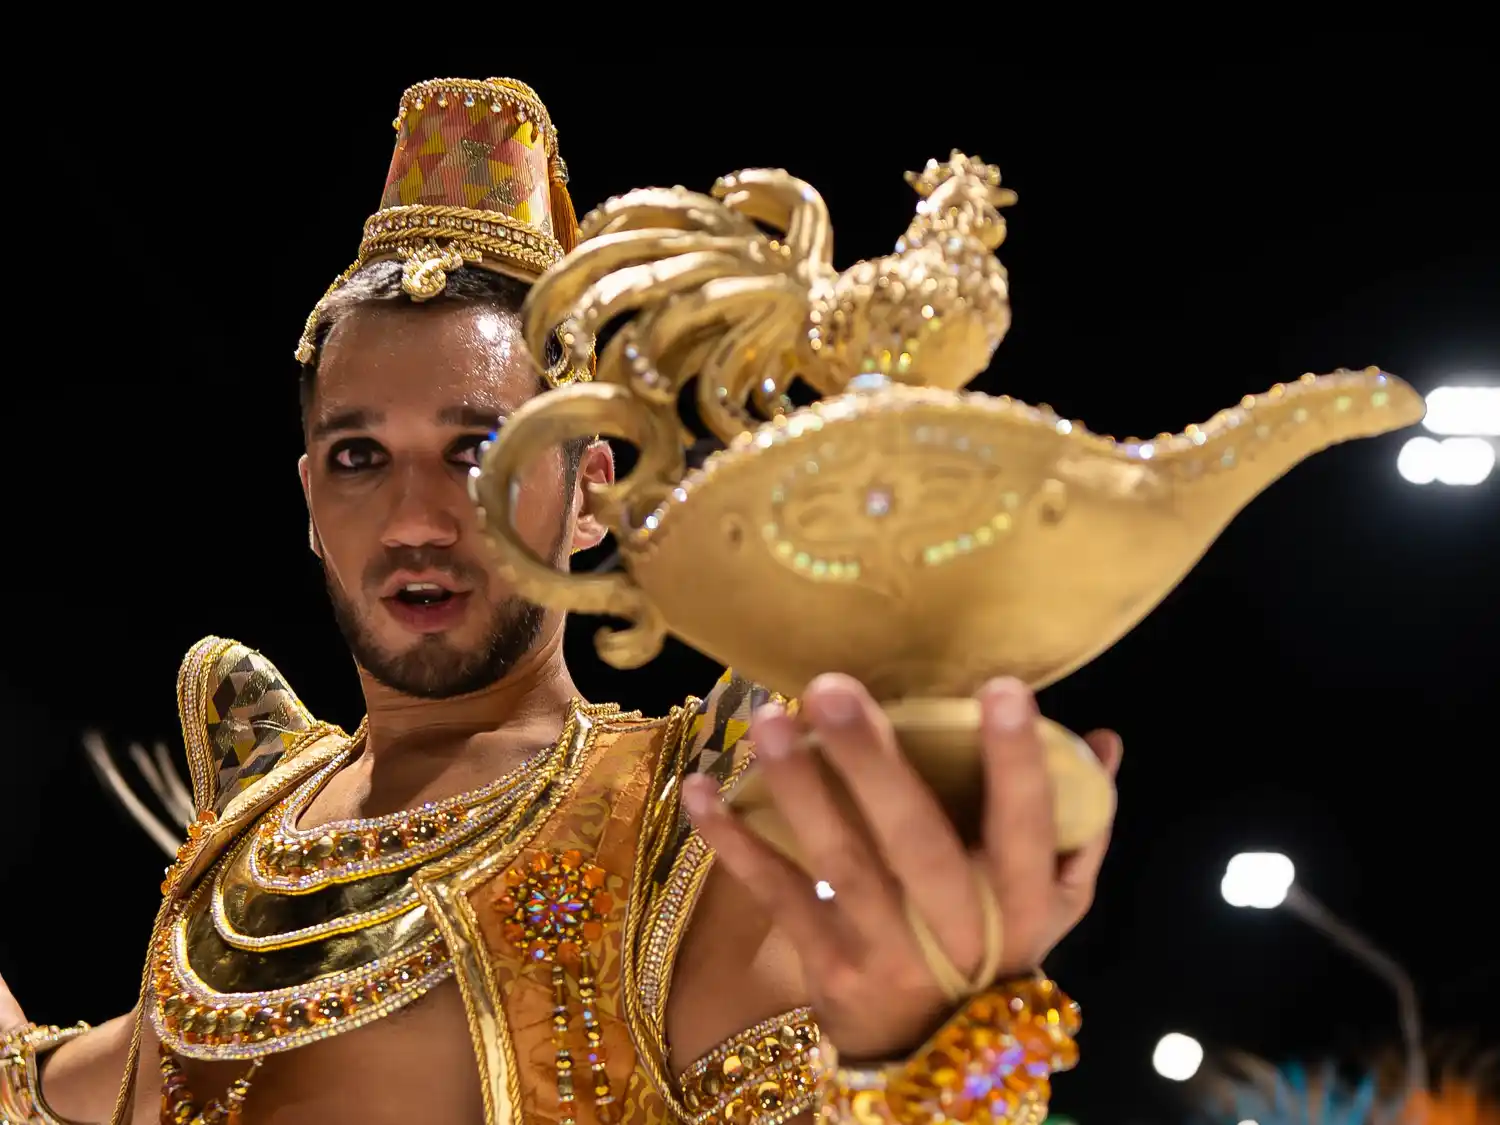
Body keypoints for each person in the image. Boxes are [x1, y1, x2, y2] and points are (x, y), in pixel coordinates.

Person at [0, 76, 1123, 1125]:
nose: (413, 520)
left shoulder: (681, 822)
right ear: (307, 497)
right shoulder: (248, 826)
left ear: (592, 492)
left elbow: (875, 1074)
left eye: (478, 450)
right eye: (358, 457)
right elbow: (79, 1077)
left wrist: (956, 1052)